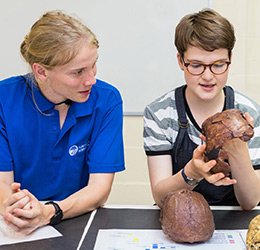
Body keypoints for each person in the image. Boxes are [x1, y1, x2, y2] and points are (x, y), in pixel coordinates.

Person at [0, 10, 125, 234]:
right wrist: (14, 207)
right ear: (41, 71)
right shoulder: (4, 100)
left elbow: (99, 190)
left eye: (93, 65)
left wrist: (47, 213)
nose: (91, 79)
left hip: (72, 218)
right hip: (17, 223)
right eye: (78, 72)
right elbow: (2, 183)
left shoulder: (106, 101)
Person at [143, 9, 260, 210]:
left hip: (231, 219)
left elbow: (250, 202)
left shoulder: (249, 112)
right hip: (176, 215)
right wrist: (192, 173)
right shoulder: (160, 114)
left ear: (230, 58)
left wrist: (238, 149)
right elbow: (161, 198)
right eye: (196, 66)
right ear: (180, 61)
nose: (207, 76)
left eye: (218, 65)